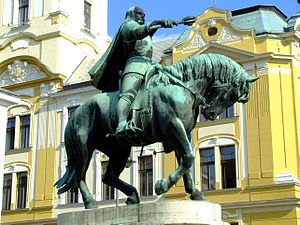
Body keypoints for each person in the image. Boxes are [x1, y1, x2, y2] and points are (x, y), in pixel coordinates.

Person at [89, 6, 176, 137]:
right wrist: (159, 22)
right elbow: (137, 32)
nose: (143, 16)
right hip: (134, 65)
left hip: (150, 64)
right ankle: (121, 124)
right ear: (131, 14)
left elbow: (147, 31)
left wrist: (162, 24)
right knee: (127, 94)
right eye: (140, 14)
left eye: (144, 14)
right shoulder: (127, 25)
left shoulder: (141, 28)